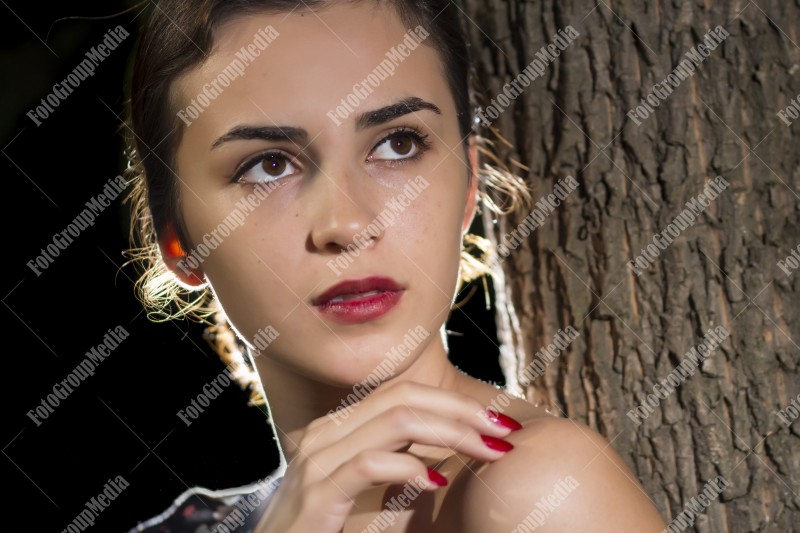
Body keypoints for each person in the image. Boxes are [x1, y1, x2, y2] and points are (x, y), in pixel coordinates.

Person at [125, 0, 668, 530]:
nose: (348, 222)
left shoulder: (537, 491)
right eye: (268, 166)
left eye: (398, 144)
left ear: (469, 183)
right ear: (176, 238)